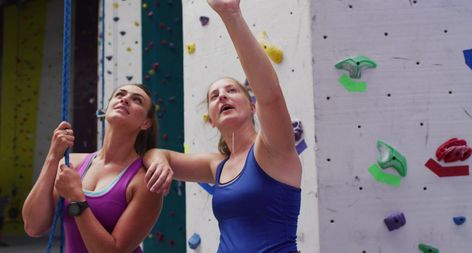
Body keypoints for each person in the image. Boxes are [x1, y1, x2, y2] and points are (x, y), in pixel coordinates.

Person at [143, 0, 302, 252]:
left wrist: (231, 14)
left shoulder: (272, 149)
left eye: (231, 90)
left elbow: (270, 95)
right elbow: (157, 154)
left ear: (251, 106)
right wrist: (158, 161)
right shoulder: (217, 165)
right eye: (214, 96)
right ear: (212, 119)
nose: (222, 97)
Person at [22, 84, 164, 253]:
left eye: (137, 100)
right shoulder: (71, 164)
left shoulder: (145, 181)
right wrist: (53, 157)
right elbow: (33, 226)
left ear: (146, 123)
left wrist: (77, 198)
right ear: (106, 109)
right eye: (120, 94)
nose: (125, 99)